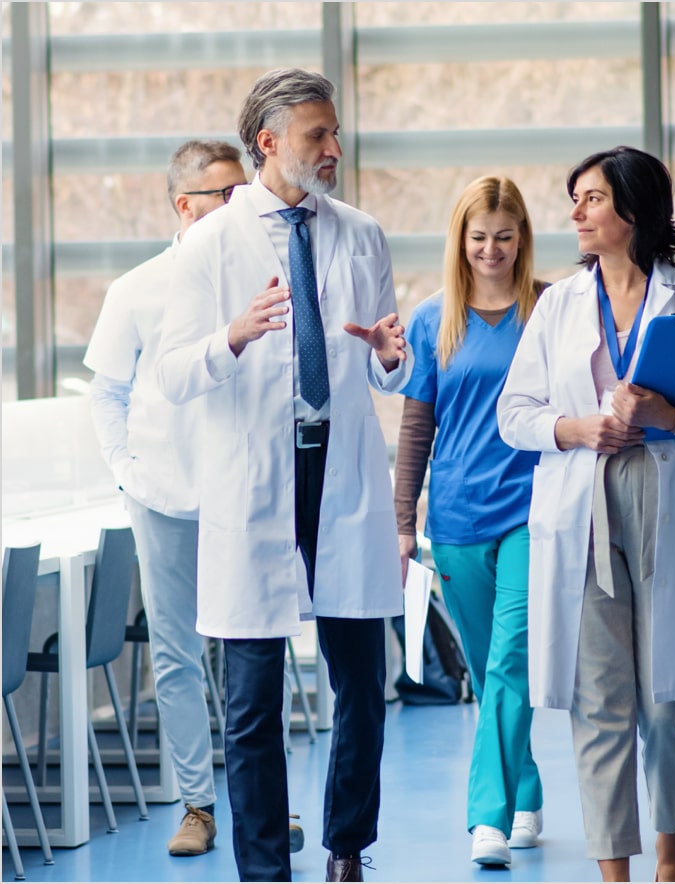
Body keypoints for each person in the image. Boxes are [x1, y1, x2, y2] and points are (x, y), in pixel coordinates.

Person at [156, 68, 412, 883]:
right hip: (254, 487)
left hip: (340, 481)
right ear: (267, 143)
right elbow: (169, 374)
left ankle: (345, 846)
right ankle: (264, 868)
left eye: (335, 134)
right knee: (253, 703)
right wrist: (230, 336)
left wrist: (391, 359)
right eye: (316, 136)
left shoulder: (362, 233)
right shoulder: (209, 245)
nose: (334, 149)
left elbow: (386, 366)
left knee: (362, 689)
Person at [496, 146, 675, 883]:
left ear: (633, 212)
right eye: (575, 198)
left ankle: (671, 853)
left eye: (590, 199)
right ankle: (614, 868)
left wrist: (672, 417)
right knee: (599, 699)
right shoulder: (557, 305)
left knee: (665, 695)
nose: (575, 213)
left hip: (670, 490)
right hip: (584, 500)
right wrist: (577, 429)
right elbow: (513, 414)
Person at [84, 139, 248, 857]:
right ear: (187, 206)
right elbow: (107, 390)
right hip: (165, 496)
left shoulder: (255, 279)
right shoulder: (136, 289)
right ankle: (197, 806)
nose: (244, 206)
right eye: (227, 195)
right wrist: (126, 470)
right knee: (179, 655)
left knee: (250, 651)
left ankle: (258, 798)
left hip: (242, 493)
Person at [394, 176, 546, 867]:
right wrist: (404, 521)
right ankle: (526, 787)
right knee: (492, 675)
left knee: (512, 658)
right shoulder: (433, 319)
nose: (491, 249)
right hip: (455, 518)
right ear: (461, 240)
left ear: (523, 239)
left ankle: (486, 817)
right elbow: (416, 426)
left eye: (504, 237)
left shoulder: (548, 310)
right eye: (479, 237)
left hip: (533, 512)